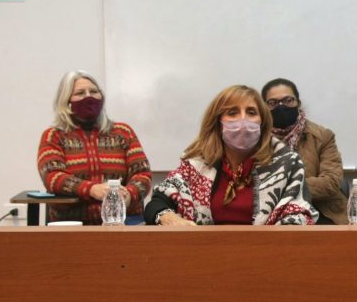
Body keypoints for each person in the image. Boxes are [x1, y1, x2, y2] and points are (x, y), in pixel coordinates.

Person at [144, 85, 316, 226]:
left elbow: (299, 215)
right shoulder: (197, 165)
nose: (243, 120)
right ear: (218, 122)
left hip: (267, 257)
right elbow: (157, 203)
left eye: (251, 112)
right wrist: (168, 218)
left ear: (262, 122)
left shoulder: (287, 163)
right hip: (204, 256)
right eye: (232, 113)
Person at [36, 71, 152, 225]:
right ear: (66, 101)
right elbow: (52, 176)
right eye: (80, 93)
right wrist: (91, 189)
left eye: (94, 92)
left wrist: (129, 194)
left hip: (123, 223)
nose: (88, 97)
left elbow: (142, 173)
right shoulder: (53, 136)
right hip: (72, 225)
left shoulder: (123, 132)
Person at [261, 78, 347, 224]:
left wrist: (282, 188)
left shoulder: (322, 136)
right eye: (273, 103)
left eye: (288, 100)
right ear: (264, 107)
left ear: (298, 103)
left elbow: (331, 182)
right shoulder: (256, 139)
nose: (281, 107)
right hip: (269, 214)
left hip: (322, 211)